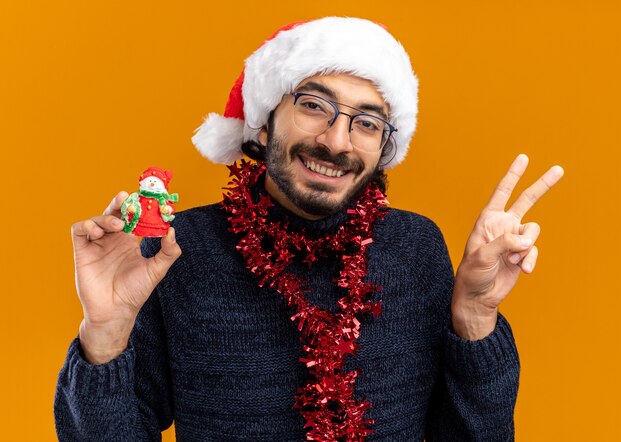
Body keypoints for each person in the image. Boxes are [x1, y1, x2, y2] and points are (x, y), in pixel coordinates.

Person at [54, 17, 564, 441]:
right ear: (262, 120)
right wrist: (105, 334)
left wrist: (476, 317)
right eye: (314, 105)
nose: (337, 141)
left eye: (367, 122)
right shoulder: (177, 249)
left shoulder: (416, 248)